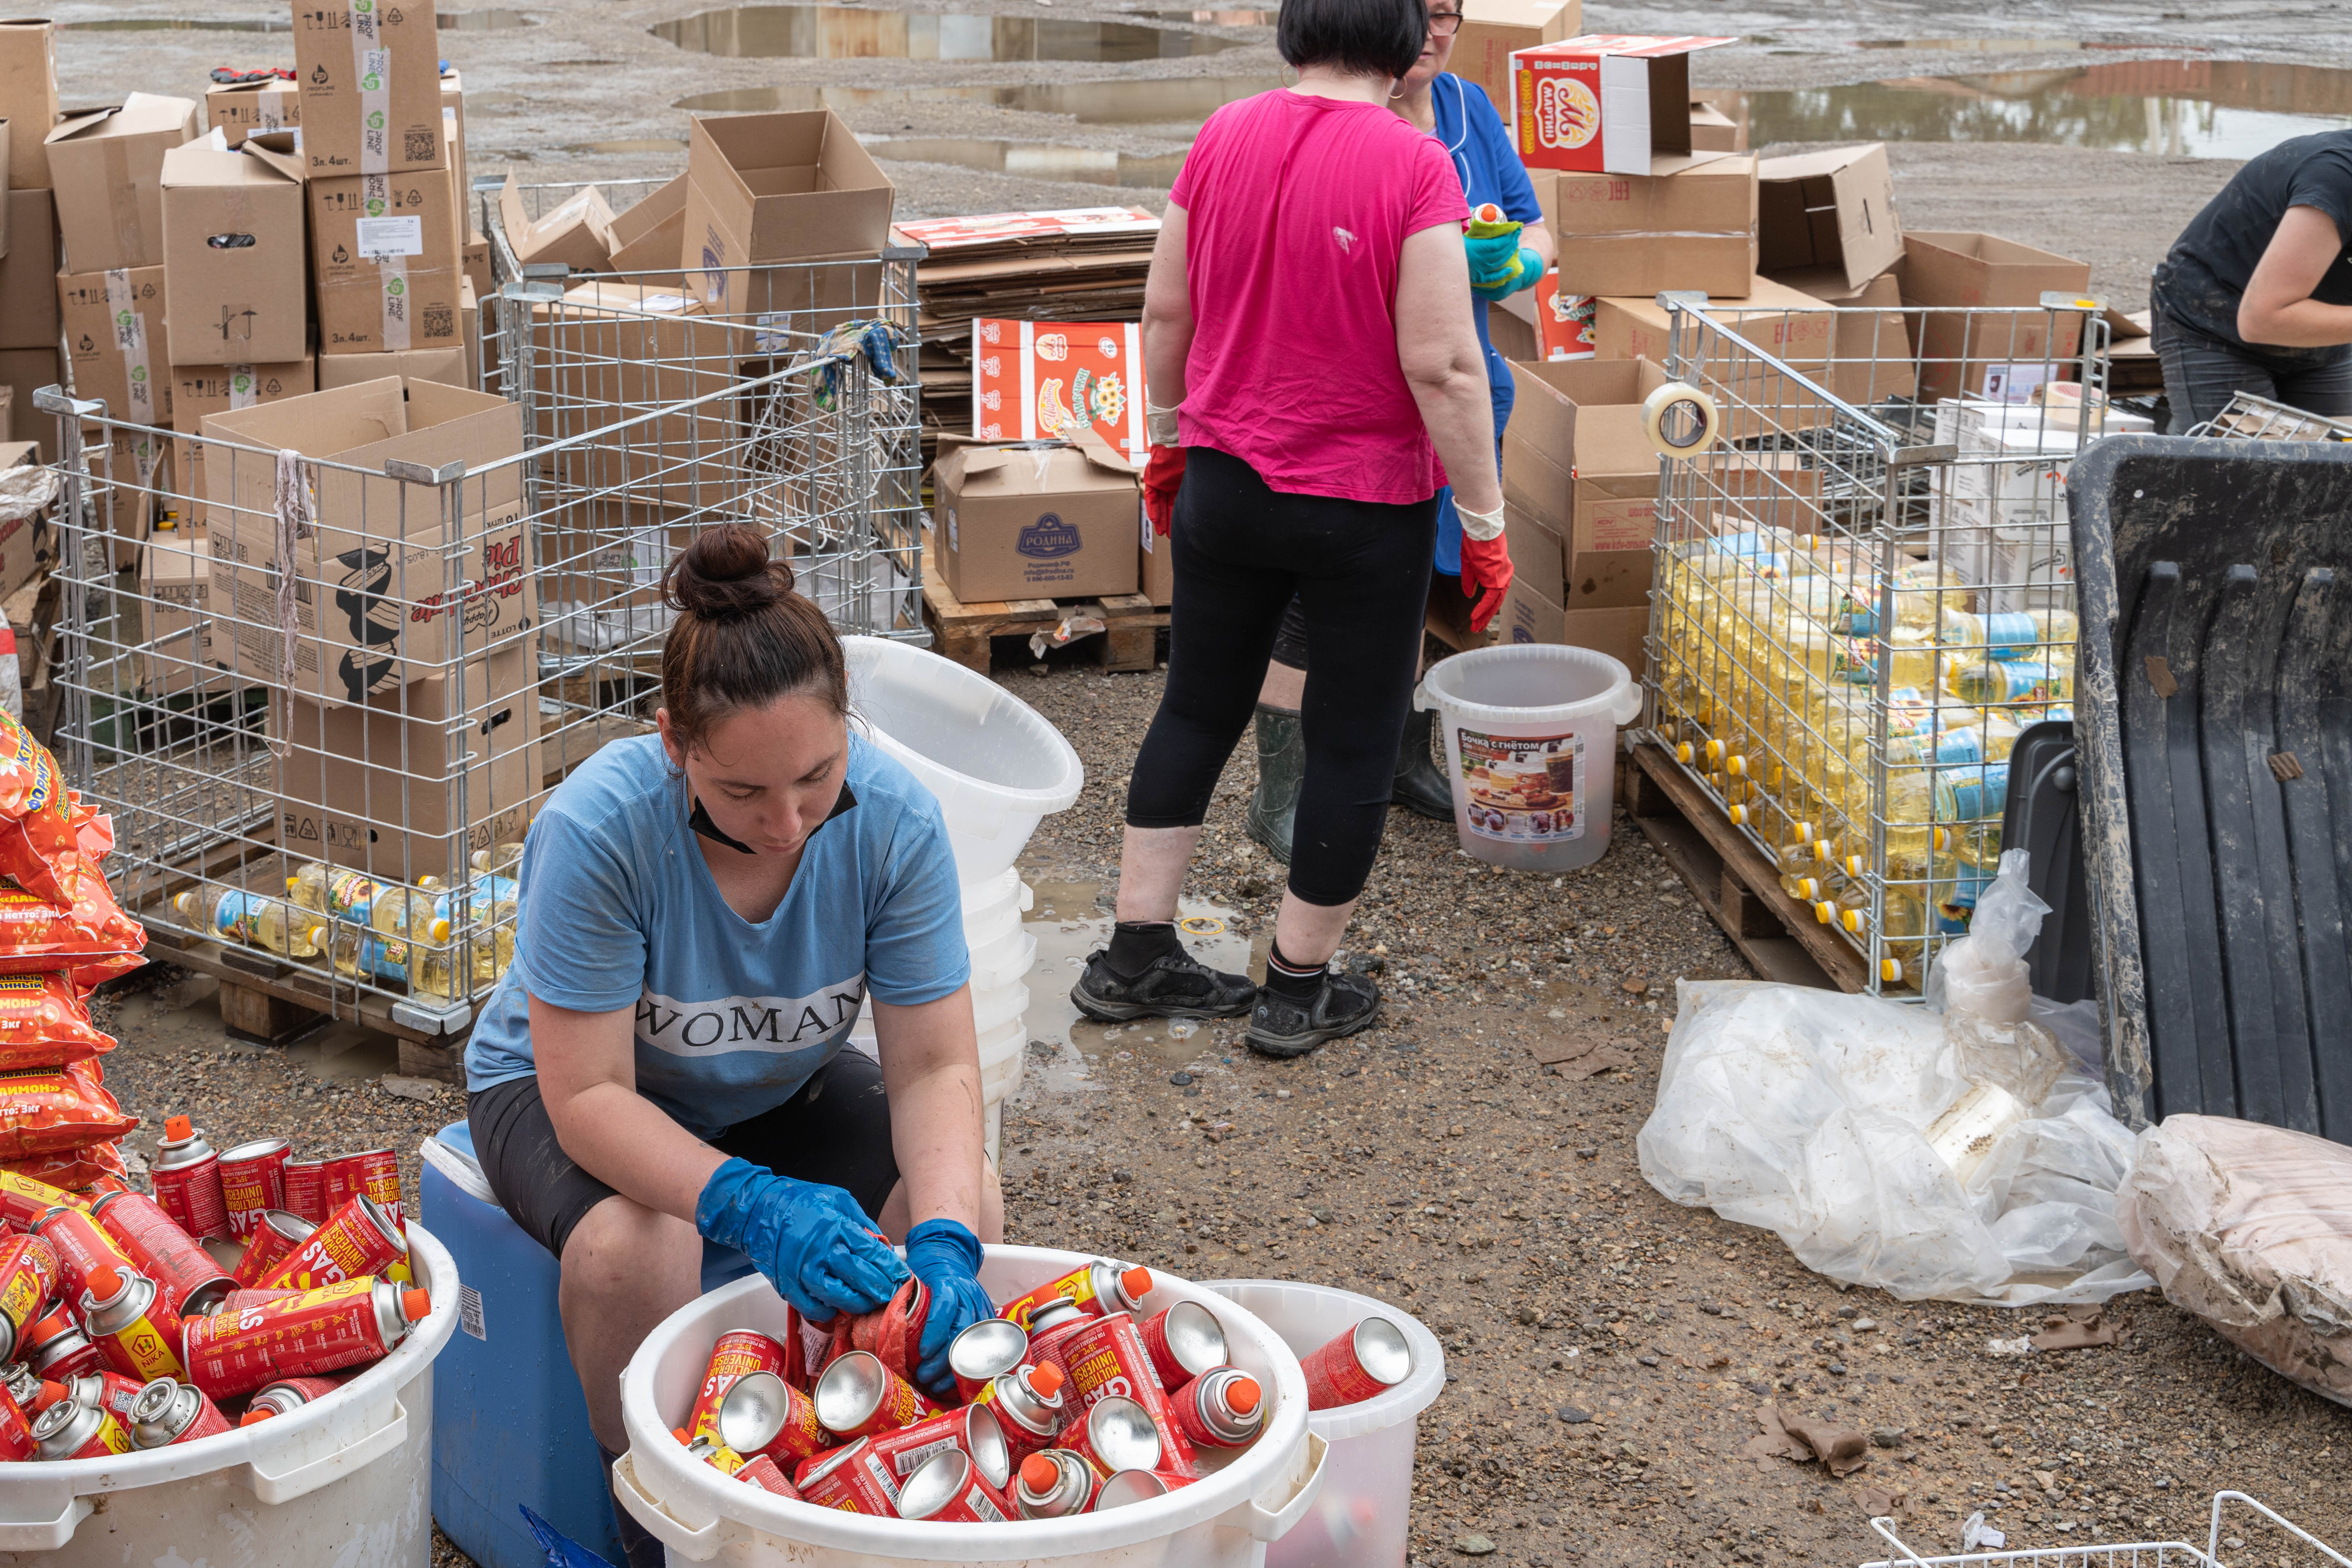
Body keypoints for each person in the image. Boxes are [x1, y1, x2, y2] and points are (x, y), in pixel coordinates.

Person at [463, 525, 1000, 1568]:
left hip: (769, 1086)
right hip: (570, 1088)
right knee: (638, 1248)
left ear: (850, 724)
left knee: (959, 1197)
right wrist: (749, 1200)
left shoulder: (894, 825)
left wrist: (941, 1246)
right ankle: (650, 1525)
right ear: (674, 744)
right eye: (741, 794)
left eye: (816, 776)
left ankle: (872, 1479)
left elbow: (934, 1066)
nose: (790, 822)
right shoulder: (601, 831)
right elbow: (590, 1099)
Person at [1074, 0, 1512, 1059]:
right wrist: (1485, 520)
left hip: (1226, 480)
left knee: (1194, 708)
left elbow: (1164, 315)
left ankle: (1133, 958)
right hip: (1364, 504)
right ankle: (1293, 990)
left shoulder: (1222, 133)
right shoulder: (1414, 166)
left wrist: (1170, 438)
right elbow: (1444, 365)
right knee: (1352, 740)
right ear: (1405, 38)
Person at [1246, 0, 1554, 861]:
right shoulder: (1340, 116)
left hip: (1462, 391)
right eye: (1417, 12)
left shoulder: (1470, 110)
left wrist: (1517, 258)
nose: (1432, 30)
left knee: (1430, 580)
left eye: (1449, 12)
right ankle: (1286, 786)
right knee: (1311, 603)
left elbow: (1533, 222)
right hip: (1358, 402)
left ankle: (1399, 761)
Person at [2151, 127, 2352, 433]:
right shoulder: (2335, 179)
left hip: (2320, 335)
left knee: (2331, 469)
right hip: (2216, 322)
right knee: (2240, 470)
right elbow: (2262, 319)